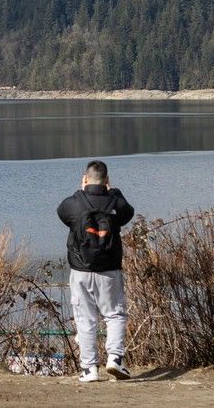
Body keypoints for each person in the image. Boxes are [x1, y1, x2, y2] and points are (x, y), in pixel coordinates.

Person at [56, 159, 135, 382]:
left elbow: (62, 213)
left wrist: (82, 191)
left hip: (80, 269)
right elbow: (128, 213)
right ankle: (115, 359)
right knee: (115, 314)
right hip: (109, 270)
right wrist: (114, 192)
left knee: (85, 319)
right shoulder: (115, 202)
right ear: (107, 181)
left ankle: (89, 369)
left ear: (85, 179)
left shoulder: (74, 203)